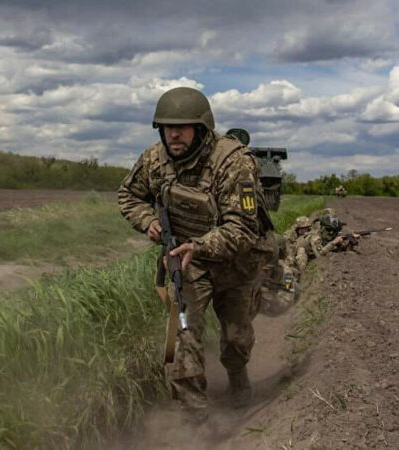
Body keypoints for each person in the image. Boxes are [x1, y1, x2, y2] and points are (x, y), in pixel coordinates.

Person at [118, 87, 275, 419]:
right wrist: (147, 220)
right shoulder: (153, 160)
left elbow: (244, 229)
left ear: (201, 128)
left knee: (235, 339)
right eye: (166, 127)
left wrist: (199, 245)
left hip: (236, 262)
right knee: (183, 335)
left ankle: (237, 376)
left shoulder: (234, 162)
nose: (173, 134)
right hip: (188, 264)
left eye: (183, 127)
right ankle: (195, 419)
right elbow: (128, 195)